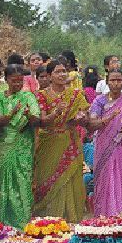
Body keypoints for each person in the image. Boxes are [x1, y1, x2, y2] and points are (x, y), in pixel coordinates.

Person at [33, 59, 90, 222]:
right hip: (48, 144)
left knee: (70, 181)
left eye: (64, 71)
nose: (62, 74)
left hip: (69, 142)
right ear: (49, 76)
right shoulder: (41, 96)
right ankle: (46, 223)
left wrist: (81, 117)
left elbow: (86, 115)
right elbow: (42, 121)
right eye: (58, 71)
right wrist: (56, 113)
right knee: (46, 181)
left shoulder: (76, 94)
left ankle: (71, 220)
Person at [0, 65, 41, 229]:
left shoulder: (28, 96)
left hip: (22, 143)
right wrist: (13, 113)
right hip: (3, 143)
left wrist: (27, 115)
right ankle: (2, 222)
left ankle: (22, 222)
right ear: (6, 80)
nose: (18, 84)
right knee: (2, 181)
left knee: (22, 180)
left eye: (21, 81)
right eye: (14, 81)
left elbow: (36, 120)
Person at [87, 70, 122, 217]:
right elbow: (92, 124)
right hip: (105, 146)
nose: (115, 83)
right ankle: (106, 216)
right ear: (106, 82)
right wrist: (108, 119)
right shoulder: (99, 101)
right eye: (112, 80)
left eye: (119, 80)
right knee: (105, 181)